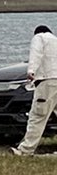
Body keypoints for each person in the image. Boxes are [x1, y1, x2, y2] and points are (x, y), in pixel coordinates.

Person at [14, 23, 57, 155]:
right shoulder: (55, 40)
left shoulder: (39, 38)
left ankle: (25, 150)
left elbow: (36, 53)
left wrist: (31, 71)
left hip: (47, 81)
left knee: (37, 117)